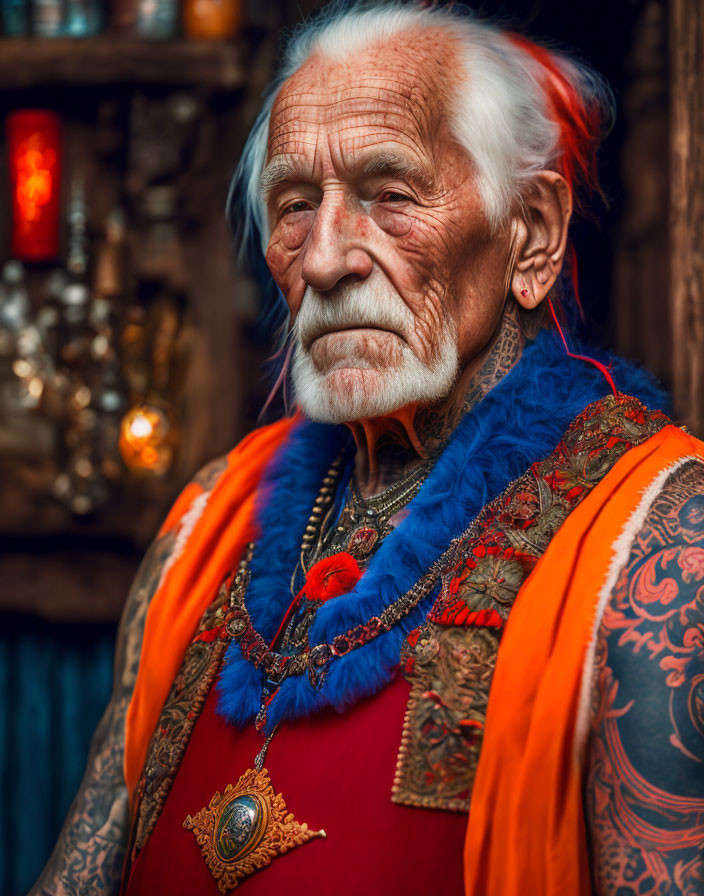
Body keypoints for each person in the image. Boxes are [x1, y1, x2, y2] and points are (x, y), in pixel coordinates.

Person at [31, 4, 704, 895]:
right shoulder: (205, 520)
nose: (324, 261)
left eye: (391, 195)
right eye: (295, 205)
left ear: (532, 234)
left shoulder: (663, 547)